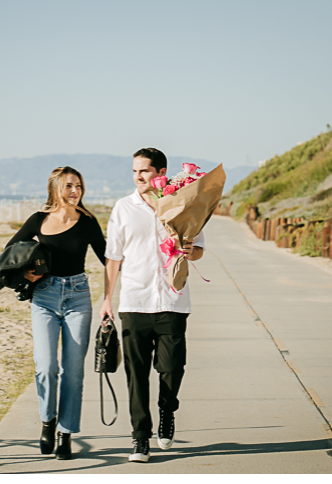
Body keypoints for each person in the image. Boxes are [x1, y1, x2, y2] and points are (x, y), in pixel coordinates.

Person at [101, 147, 205, 462]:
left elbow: (199, 249)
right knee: (136, 374)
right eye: (134, 171)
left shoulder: (183, 205)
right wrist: (107, 299)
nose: (138, 177)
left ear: (161, 173)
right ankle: (139, 439)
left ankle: (167, 410)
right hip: (134, 301)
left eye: (144, 171)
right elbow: (113, 257)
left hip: (173, 300)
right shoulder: (123, 208)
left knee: (173, 368)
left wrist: (188, 249)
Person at [5, 167, 106, 461]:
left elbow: (108, 257)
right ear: (55, 190)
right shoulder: (38, 220)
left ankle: (65, 433)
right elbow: (9, 252)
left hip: (78, 297)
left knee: (73, 372)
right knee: (46, 365)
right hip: (45, 297)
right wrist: (28, 273)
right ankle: (47, 420)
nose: (75, 191)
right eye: (69, 186)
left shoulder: (87, 222)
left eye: (78, 186)